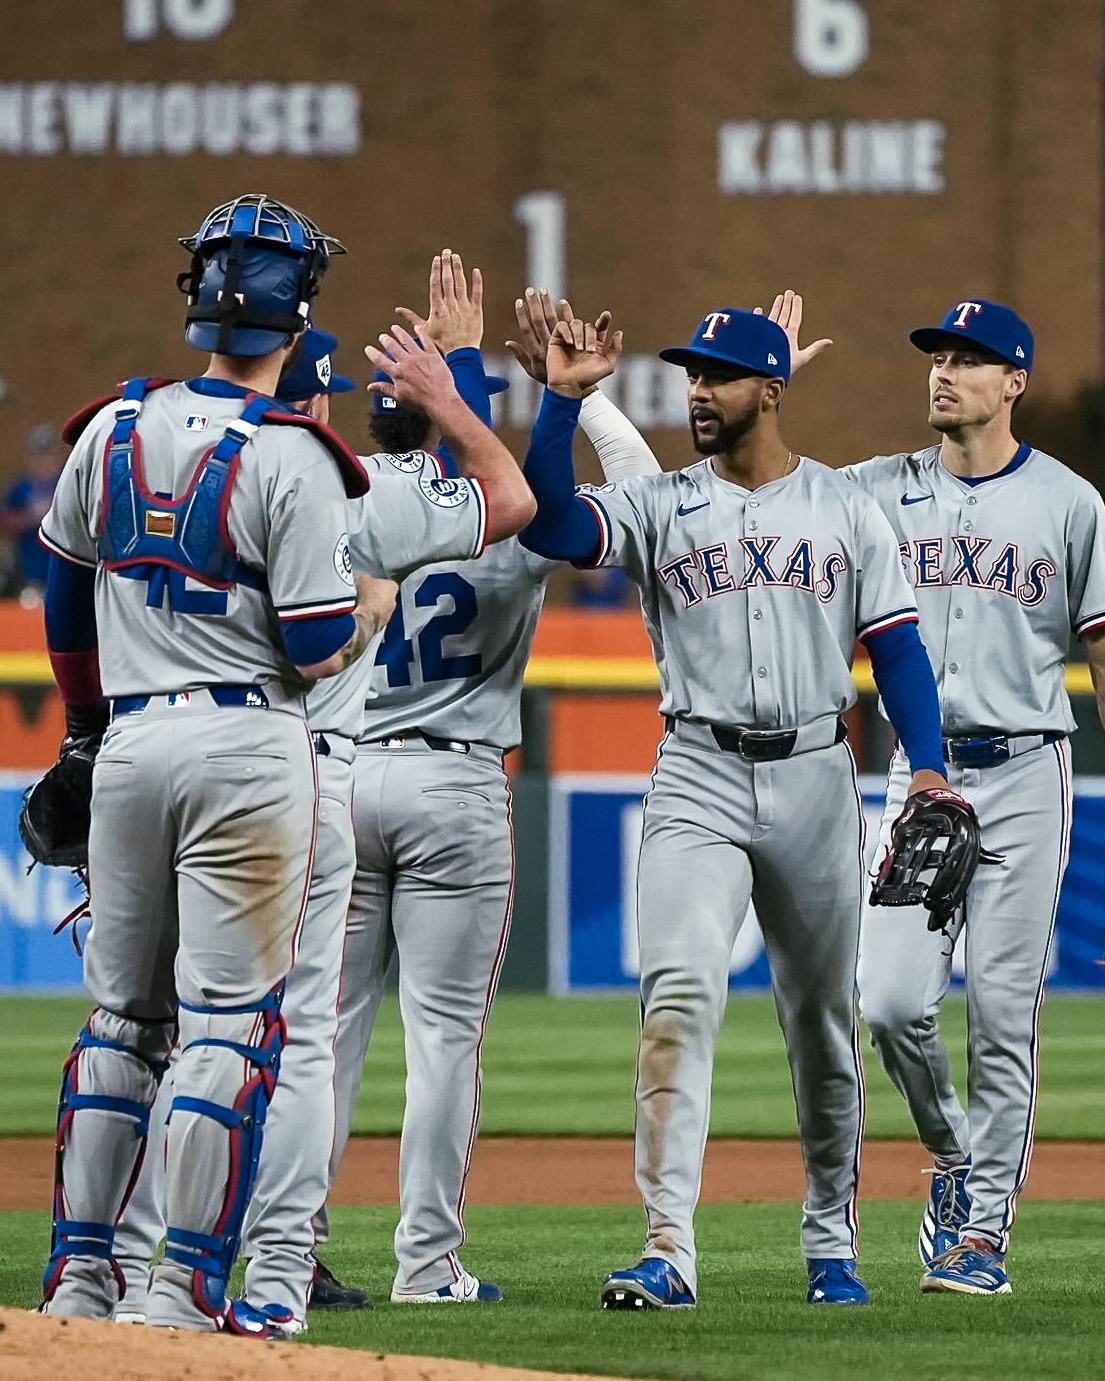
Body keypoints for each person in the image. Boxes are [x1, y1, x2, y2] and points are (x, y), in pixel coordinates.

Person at [107, 302, 537, 1333]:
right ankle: (276, 1270)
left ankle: (121, 1268)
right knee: (294, 1042)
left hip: (152, 755)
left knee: (153, 1031)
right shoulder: (342, 485)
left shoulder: (162, 464)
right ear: (307, 400)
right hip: (299, 779)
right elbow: (508, 494)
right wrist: (459, 382)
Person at [518, 306, 959, 1310]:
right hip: (696, 773)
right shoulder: (659, 504)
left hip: (814, 771)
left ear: (771, 388)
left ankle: (830, 1241)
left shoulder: (845, 509)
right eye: (691, 375)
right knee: (676, 998)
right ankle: (666, 1249)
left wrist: (926, 765)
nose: (698, 392)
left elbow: (895, 647)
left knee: (822, 1027)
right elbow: (548, 521)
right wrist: (560, 403)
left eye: (718, 376)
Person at [35, 192, 394, 1336]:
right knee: (231, 1026)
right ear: (298, 317)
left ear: (194, 298)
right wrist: (369, 611)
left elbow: (60, 591)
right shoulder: (297, 455)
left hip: (132, 738)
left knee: (119, 1023)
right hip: (248, 746)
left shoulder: (112, 426)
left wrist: (87, 732)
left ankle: (80, 1279)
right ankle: (184, 1285)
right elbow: (309, 640)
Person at [311, 263, 659, 1305]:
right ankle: (425, 1267)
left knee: (322, 1040)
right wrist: (572, 396)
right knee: (443, 1046)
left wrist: (445, 383)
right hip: (456, 785)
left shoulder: (329, 504)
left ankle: (286, 1251)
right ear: (456, 417)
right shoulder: (506, 510)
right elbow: (638, 498)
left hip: (342, 776)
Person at [788, 295, 1105, 1295]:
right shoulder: (875, 489)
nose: (943, 372)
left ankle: (979, 1238)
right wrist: (766, 391)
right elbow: (762, 499)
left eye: (969, 359)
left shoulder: (1071, 503)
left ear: (1013, 382)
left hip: (1025, 768)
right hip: (918, 773)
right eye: (936, 355)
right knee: (886, 1003)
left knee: (1004, 1012)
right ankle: (957, 1156)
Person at [2, 424, 67, 591]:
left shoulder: (66, 485)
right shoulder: (21, 487)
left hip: (61, 568)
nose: (45, 462)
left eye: (49, 455)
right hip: (29, 569)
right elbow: (6, 521)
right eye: (39, 456)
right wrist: (29, 517)